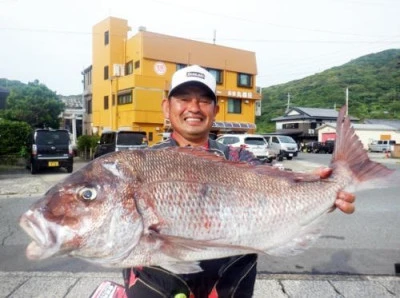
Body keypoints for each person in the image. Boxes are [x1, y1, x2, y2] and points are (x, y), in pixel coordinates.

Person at [123, 65, 356, 298]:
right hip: (160, 287)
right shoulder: (144, 163)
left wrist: (321, 187)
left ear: (216, 110)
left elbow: (276, 183)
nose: (193, 108)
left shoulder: (239, 157)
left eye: (204, 101)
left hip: (228, 286)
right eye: (183, 99)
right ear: (167, 107)